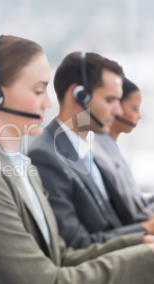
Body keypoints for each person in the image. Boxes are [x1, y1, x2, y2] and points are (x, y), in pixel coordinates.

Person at [0, 35, 154, 283]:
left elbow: (61, 256)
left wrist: (143, 243)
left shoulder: (23, 167)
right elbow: (45, 280)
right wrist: (147, 256)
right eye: (39, 90)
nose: (48, 102)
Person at [27, 52, 154, 249]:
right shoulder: (45, 156)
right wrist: (145, 229)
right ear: (78, 95)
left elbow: (115, 218)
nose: (118, 111)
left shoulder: (85, 149)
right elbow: (78, 243)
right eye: (110, 100)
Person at [94, 77, 154, 220]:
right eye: (134, 109)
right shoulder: (98, 153)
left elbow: (137, 203)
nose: (138, 116)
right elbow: (128, 212)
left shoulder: (111, 148)